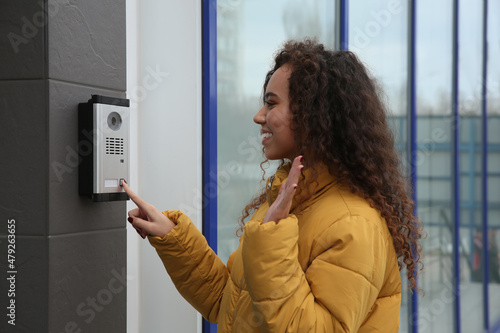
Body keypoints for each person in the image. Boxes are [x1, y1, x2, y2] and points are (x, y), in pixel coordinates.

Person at [123, 39, 424, 332]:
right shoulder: (286, 204)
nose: (259, 117)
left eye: (271, 104)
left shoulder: (354, 224)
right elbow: (227, 304)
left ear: (313, 114)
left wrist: (271, 240)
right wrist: (174, 238)